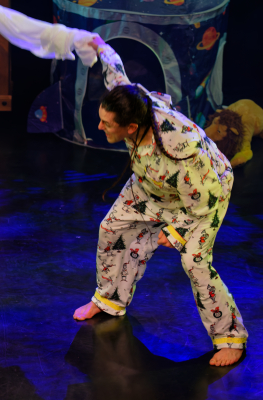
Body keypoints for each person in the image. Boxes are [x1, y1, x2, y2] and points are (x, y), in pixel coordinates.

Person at [73, 37, 247, 367]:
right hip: (152, 183)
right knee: (111, 228)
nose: (99, 126)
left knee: (194, 262)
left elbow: (204, 197)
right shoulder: (129, 102)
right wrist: (99, 46)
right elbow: (114, 71)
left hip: (204, 194)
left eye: (106, 124)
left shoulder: (180, 147)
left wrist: (177, 230)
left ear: (131, 127)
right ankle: (110, 300)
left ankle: (230, 337)